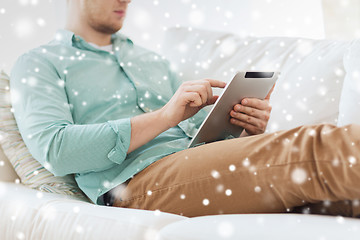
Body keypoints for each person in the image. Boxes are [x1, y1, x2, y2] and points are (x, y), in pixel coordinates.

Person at [10, 0, 360, 218]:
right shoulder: (39, 63)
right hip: (132, 184)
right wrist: (165, 116)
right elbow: (56, 150)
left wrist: (243, 129)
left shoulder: (152, 61)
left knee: (343, 200)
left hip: (192, 165)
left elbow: (195, 144)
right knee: (315, 146)